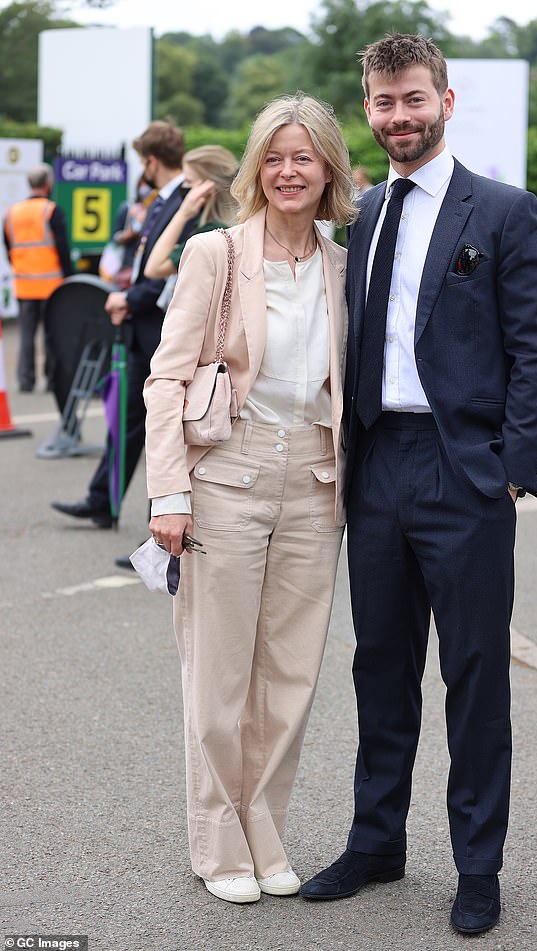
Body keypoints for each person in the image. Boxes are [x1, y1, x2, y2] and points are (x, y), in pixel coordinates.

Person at [299, 34, 537, 936]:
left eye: (413, 98)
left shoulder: (503, 210)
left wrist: (512, 471)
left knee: (476, 674)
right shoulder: (364, 214)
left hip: (467, 471)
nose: (398, 116)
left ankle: (477, 864)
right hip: (378, 466)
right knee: (381, 666)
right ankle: (376, 841)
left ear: (446, 100)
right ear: (366, 109)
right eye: (383, 103)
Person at [142, 93, 356, 905]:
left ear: (328, 165)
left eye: (304, 156)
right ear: (256, 167)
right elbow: (167, 378)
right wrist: (169, 491)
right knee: (219, 677)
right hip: (225, 475)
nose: (289, 170)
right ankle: (218, 840)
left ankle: (265, 830)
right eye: (274, 156)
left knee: (291, 678)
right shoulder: (217, 255)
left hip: (315, 480)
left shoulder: (343, 261)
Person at [51, 120, 196, 528]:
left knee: (163, 432)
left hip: (160, 328)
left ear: (151, 161)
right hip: (141, 326)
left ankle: (160, 533)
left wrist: (128, 299)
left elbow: (171, 269)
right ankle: (102, 501)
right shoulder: (161, 199)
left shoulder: (185, 199)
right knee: (127, 421)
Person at [3, 163, 73, 392]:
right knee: (51, 336)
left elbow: (8, 245)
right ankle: (51, 381)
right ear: (47, 184)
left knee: (26, 336)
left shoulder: (12, 212)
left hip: (24, 284)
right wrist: (69, 278)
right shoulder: (51, 210)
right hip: (51, 285)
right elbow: (63, 249)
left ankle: (25, 380)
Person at [145, 144, 239, 283]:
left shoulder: (211, 231)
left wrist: (183, 213)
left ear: (208, 188)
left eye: (189, 181)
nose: (183, 187)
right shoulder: (234, 225)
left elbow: (154, 269)